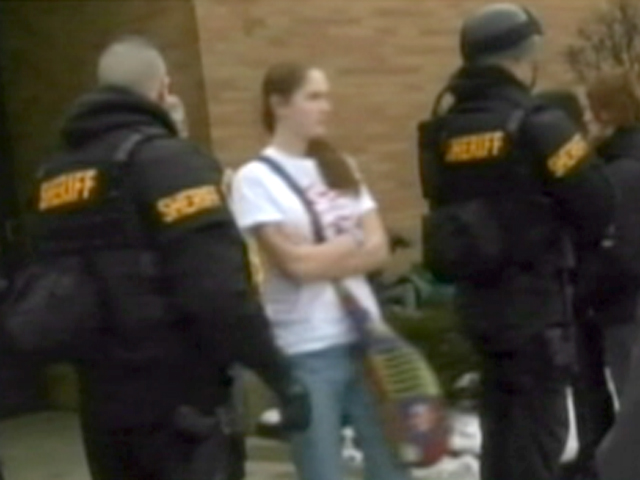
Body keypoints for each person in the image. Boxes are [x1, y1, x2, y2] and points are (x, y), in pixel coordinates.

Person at [28, 36, 309, 480]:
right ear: (163, 89)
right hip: (181, 409)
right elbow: (219, 293)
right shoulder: (170, 163)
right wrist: (281, 375)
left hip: (104, 412)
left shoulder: (53, 179)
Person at [418, 4, 615, 480]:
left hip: (478, 305)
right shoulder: (538, 123)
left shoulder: (443, 132)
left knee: (500, 427)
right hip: (535, 303)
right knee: (539, 431)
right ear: (521, 56)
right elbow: (597, 203)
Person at [230, 62, 411, 480]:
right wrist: (349, 244)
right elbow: (294, 265)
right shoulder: (255, 179)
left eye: (326, 96)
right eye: (313, 97)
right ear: (279, 104)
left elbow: (379, 248)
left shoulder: (340, 165)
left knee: (390, 463)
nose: (325, 107)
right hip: (307, 344)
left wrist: (322, 255)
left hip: (365, 335)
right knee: (321, 466)